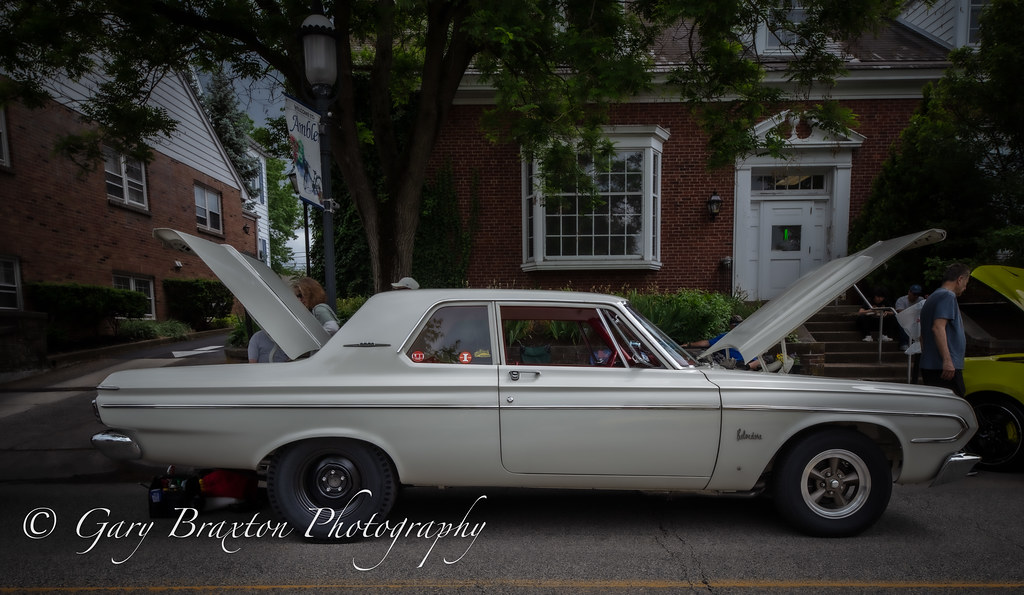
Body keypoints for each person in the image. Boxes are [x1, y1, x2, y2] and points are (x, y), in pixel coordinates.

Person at [920, 263, 971, 397]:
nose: (965, 287)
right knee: (955, 405)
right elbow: (938, 328)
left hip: (932, 364)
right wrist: (947, 361)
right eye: (966, 283)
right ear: (960, 279)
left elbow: (922, 335)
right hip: (944, 368)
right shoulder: (947, 296)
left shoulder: (933, 297)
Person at [684, 315, 761, 370]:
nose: (738, 326)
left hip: (750, 360)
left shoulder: (747, 336)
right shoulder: (725, 337)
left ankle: (749, 366)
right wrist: (688, 345)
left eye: (740, 324)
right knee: (761, 361)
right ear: (731, 326)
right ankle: (749, 366)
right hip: (738, 362)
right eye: (736, 325)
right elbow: (707, 343)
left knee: (763, 359)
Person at [894, 284, 925, 350]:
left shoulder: (921, 299)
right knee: (903, 323)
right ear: (909, 292)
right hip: (905, 319)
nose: (916, 296)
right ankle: (904, 343)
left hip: (917, 320)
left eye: (918, 294)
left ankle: (920, 343)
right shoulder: (901, 300)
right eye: (914, 294)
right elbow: (901, 312)